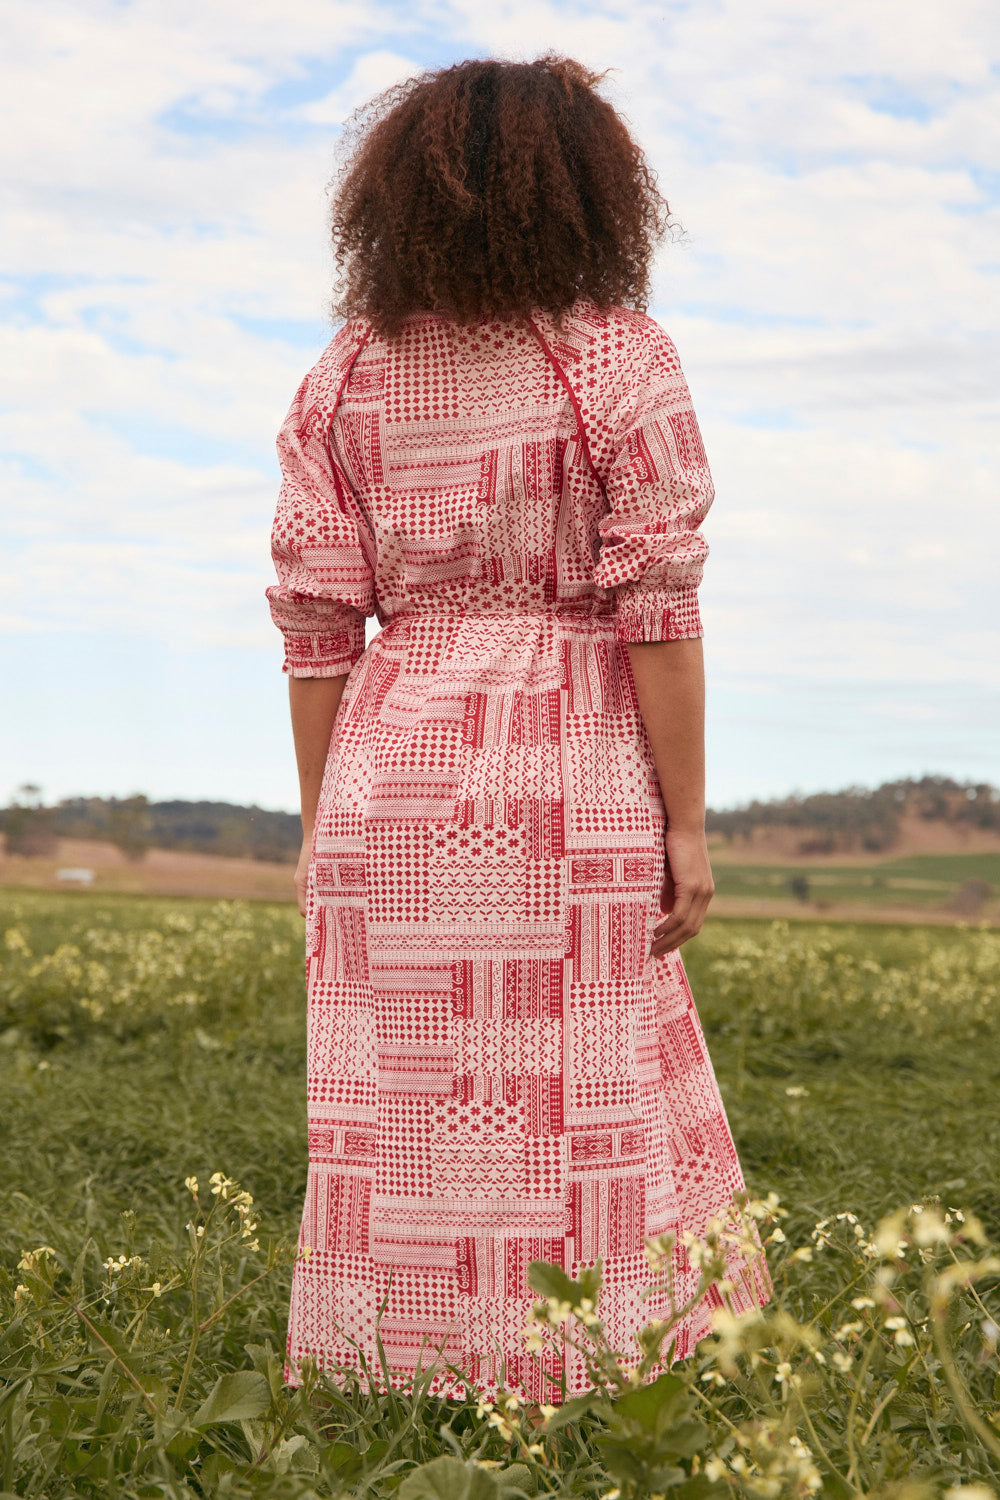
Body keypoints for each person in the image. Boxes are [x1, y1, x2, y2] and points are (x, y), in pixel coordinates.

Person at [266, 53, 772, 1406]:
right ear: (593, 190)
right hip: (566, 761)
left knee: (407, 1088)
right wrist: (684, 821)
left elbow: (317, 623)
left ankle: (401, 1359)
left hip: (392, 764)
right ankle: (595, 1364)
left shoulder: (346, 373)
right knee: (577, 1079)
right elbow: (659, 603)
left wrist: (328, 832)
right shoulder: (612, 351)